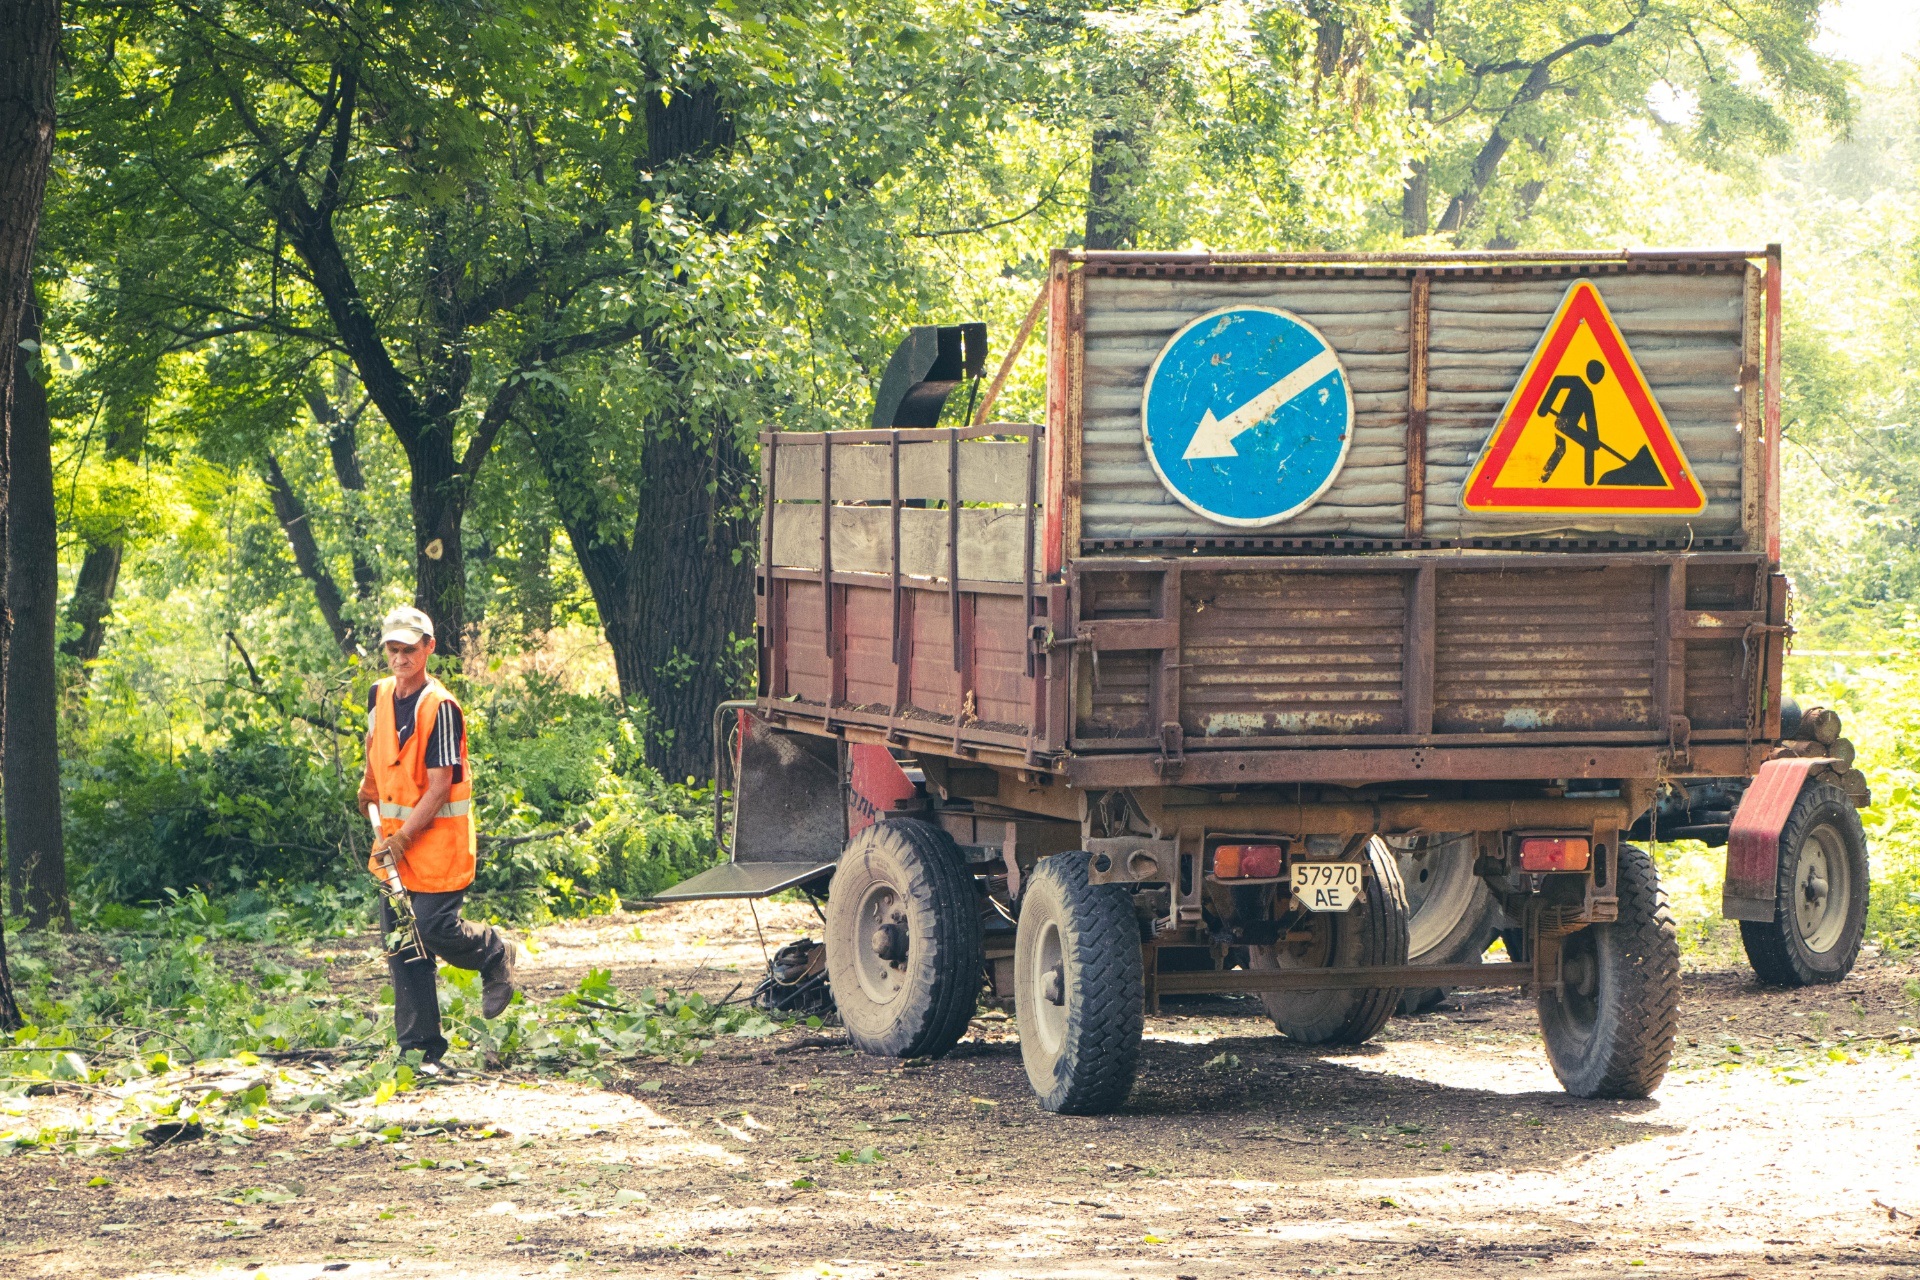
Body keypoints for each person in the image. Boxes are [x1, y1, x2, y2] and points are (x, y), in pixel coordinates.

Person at [358, 605, 517, 1071]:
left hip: (434, 846)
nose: (401, 657)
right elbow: (375, 748)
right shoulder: (379, 695)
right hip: (393, 845)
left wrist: (405, 836)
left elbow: (440, 784)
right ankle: (419, 1048)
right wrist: (368, 787)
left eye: (410, 648)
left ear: (429, 648)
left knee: (432, 928)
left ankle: (494, 952)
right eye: (393, 648)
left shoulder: (440, 707)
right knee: (403, 943)